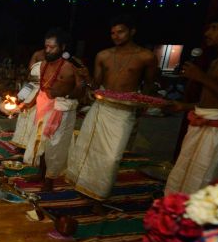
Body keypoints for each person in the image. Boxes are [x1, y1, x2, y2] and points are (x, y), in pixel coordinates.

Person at [66, 15, 158, 204]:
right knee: (88, 149)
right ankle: (84, 187)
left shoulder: (146, 56)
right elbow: (95, 85)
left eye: (120, 32)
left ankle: (100, 195)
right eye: (113, 33)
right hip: (101, 107)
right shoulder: (104, 55)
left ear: (132, 31)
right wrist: (86, 77)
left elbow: (149, 86)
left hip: (124, 112)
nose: (116, 36)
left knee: (112, 157)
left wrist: (142, 107)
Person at [23, 29, 84, 191]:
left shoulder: (72, 66)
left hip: (62, 109)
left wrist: (67, 95)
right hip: (44, 107)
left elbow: (82, 89)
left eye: (52, 47)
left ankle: (50, 180)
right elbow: (39, 87)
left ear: (62, 47)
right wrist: (27, 103)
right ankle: (41, 173)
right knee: (42, 142)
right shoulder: (42, 65)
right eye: (46, 47)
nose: (48, 50)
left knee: (56, 145)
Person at [165, 20, 218, 194]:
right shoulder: (215, 62)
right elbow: (210, 101)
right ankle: (175, 207)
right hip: (199, 122)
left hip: (215, 130)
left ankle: (194, 210)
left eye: (214, 28)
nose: (207, 33)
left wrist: (201, 77)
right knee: (183, 171)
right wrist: (184, 106)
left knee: (204, 175)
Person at [11, 49, 44, 148]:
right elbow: (29, 76)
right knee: (24, 115)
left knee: (34, 118)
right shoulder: (37, 54)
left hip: (42, 91)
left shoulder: (54, 60)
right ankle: (20, 141)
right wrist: (35, 80)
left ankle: (29, 144)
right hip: (31, 88)